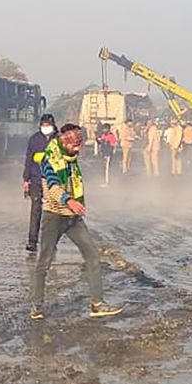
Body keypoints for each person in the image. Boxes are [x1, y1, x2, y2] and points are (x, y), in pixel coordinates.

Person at [29, 123, 123, 320]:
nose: (77, 149)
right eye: (74, 145)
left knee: (93, 256)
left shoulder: (71, 159)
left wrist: (75, 206)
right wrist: (69, 201)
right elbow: (53, 186)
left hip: (73, 218)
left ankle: (97, 304)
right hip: (54, 215)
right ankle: (37, 306)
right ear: (64, 142)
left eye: (79, 145)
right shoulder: (49, 159)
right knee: (44, 262)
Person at [22, 114, 56, 254]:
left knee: (52, 213)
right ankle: (32, 242)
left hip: (53, 180)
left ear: (53, 125)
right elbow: (29, 159)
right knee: (36, 210)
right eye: (44, 125)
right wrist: (26, 179)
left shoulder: (59, 140)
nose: (45, 128)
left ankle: (51, 244)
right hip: (36, 179)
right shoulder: (35, 139)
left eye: (48, 125)